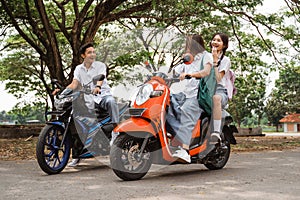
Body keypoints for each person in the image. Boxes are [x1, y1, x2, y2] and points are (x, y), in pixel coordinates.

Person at [53, 42, 119, 167]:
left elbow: (101, 78)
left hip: (102, 96)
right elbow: (74, 84)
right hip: (88, 100)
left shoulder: (100, 66)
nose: (92, 54)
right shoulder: (79, 69)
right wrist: (63, 93)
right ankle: (77, 155)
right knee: (76, 123)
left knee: (111, 102)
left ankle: (116, 132)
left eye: (94, 52)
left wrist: (98, 87)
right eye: (89, 52)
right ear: (83, 55)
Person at [172, 34, 213, 163]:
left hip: (198, 96)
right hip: (184, 94)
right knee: (166, 105)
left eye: (190, 44)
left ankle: (184, 150)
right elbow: (175, 71)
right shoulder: (188, 58)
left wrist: (190, 74)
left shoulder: (206, 56)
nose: (188, 47)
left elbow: (206, 72)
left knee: (185, 112)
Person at [209, 33, 231, 143]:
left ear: (224, 45)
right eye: (214, 40)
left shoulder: (225, 60)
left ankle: (216, 132)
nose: (215, 42)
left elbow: (218, 78)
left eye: (219, 40)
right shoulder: (204, 58)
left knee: (216, 98)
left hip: (219, 90)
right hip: (205, 89)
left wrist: (214, 61)